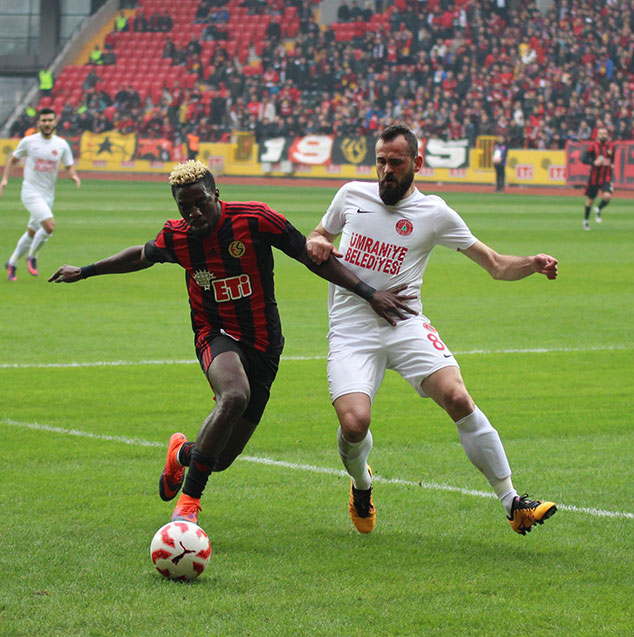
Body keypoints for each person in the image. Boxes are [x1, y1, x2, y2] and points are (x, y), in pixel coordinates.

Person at [48, 160, 412, 526]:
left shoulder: (255, 219)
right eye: (184, 207)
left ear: (216, 195)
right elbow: (141, 256)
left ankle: (181, 454)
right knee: (234, 395)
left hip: (264, 344)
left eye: (200, 202)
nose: (194, 213)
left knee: (219, 459)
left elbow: (310, 258)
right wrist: (86, 271)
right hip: (214, 334)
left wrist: (368, 294)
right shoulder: (177, 237)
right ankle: (187, 507)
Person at [306, 124, 559, 536]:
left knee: (458, 396)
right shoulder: (350, 195)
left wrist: (531, 263)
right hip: (352, 329)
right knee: (355, 425)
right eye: (381, 161)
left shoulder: (435, 213)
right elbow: (320, 233)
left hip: (405, 324)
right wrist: (317, 239)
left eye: (396, 162)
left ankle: (513, 502)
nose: (386, 170)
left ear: (416, 164)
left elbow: (494, 264)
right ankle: (362, 484)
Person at [2, 107, 81, 281]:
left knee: (31, 232)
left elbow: (68, 167)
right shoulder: (29, 142)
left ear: (55, 122)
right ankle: (32, 256)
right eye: (43, 120)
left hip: (48, 195)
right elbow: (13, 160)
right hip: (30, 192)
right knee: (49, 227)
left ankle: (12, 263)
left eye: (50, 120)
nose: (46, 124)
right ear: (39, 122)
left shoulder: (61, 144)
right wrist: (4, 180)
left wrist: (74, 176)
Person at [580, 126, 614, 231]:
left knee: (608, 196)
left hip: (606, 178)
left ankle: (598, 209)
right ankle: (586, 221)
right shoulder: (593, 146)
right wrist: (593, 163)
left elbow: (611, 161)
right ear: (597, 135)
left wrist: (611, 168)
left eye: (605, 133)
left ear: (607, 135)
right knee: (590, 200)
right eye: (601, 133)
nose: (603, 135)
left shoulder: (611, 147)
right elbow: (583, 158)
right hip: (594, 178)